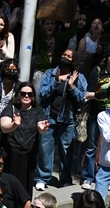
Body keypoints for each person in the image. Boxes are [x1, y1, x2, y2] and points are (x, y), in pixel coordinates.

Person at [36, 49, 86, 190]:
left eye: (69, 57)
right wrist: (55, 83)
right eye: (64, 55)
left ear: (73, 60)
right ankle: (42, 178)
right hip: (49, 118)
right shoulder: (50, 73)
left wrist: (71, 86)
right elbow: (42, 93)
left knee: (66, 152)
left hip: (68, 120)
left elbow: (82, 99)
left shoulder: (79, 77)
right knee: (45, 149)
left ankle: (64, 179)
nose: (65, 58)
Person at [0, 82, 49, 197]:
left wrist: (42, 128)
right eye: (23, 93)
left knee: (25, 187)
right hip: (11, 154)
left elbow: (41, 126)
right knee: (9, 186)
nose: (26, 96)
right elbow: (4, 127)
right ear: (18, 95)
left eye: (30, 94)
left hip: (29, 156)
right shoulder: (11, 108)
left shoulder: (38, 110)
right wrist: (14, 125)